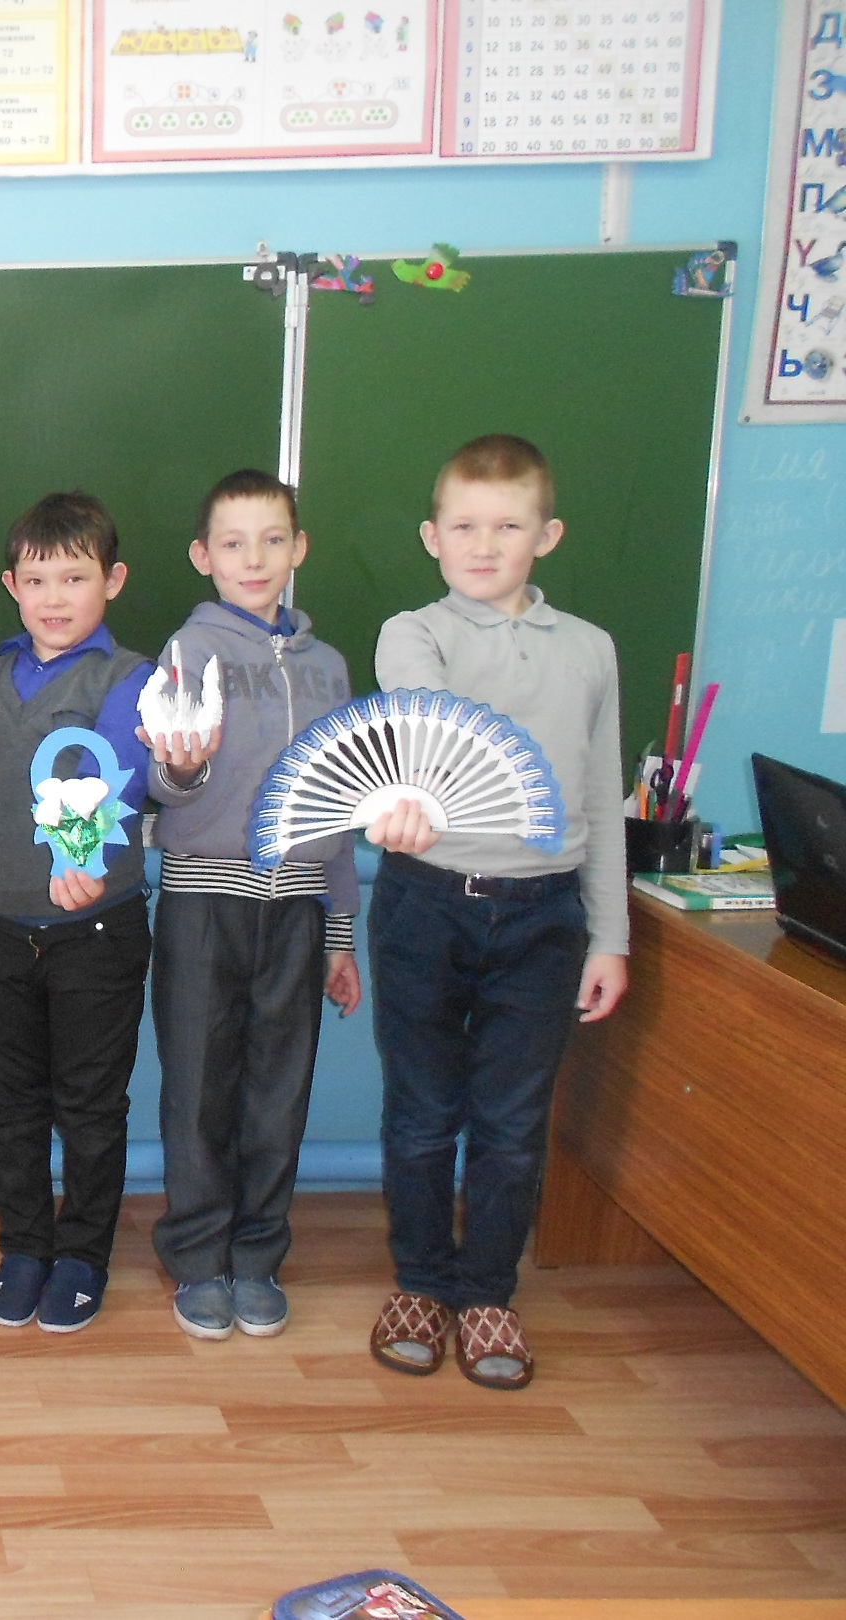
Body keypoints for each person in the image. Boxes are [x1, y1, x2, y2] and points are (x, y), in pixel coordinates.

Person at [365, 434, 629, 1391]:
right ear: (432, 537)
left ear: (546, 536)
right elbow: (428, 723)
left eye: (508, 526)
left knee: (514, 1126)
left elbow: (599, 794)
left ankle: (486, 1294)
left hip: (545, 917)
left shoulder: (591, 650)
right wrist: (407, 794)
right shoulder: (414, 634)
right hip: (426, 906)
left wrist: (610, 934)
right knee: (422, 1117)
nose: (484, 545)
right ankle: (421, 1283)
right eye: (465, 526)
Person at [0, 492, 214, 1334]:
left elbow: (118, 779)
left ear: (112, 581)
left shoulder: (130, 679)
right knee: (12, 1099)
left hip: (95, 931)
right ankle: (25, 1245)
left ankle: (84, 1253)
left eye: (75, 577)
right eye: (37, 580)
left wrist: (84, 862)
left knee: (91, 1104)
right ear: (12, 587)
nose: (54, 597)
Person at [147, 469, 363, 1343]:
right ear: (203, 556)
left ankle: (257, 1256)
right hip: (205, 905)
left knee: (280, 1091)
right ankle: (199, 1257)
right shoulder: (188, 650)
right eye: (233, 543)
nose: (254, 558)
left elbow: (345, 801)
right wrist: (183, 769)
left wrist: (340, 935)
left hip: (299, 912)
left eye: (273, 539)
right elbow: (166, 780)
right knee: (200, 1091)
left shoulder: (328, 666)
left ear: (298, 548)